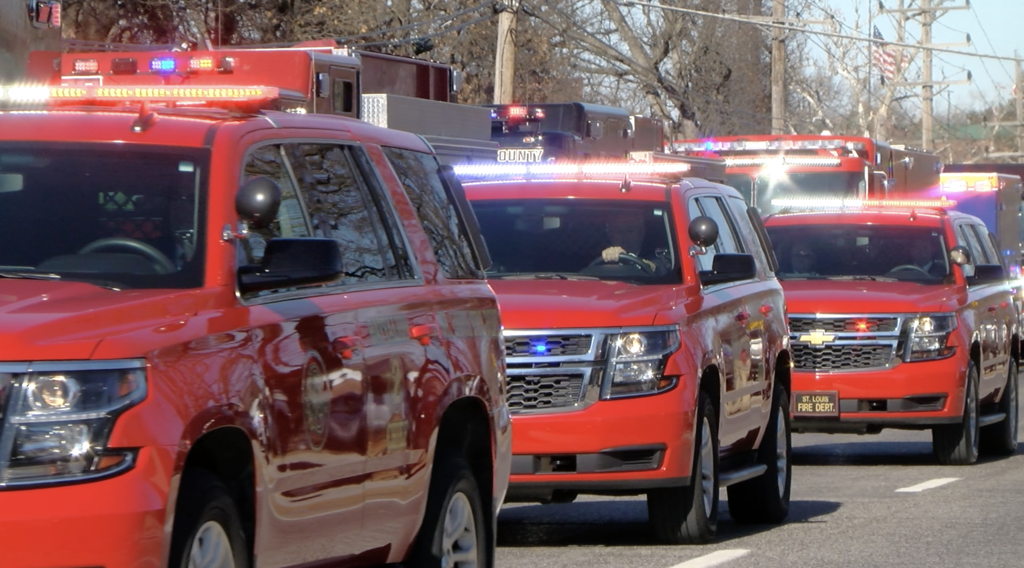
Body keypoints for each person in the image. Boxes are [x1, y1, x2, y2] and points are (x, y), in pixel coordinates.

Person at [599, 211, 665, 274]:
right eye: (618, 231)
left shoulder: (656, 255)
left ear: (641, 233)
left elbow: (657, 267)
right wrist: (607, 258)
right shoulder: (601, 259)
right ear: (610, 235)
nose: (624, 235)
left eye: (630, 230)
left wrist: (630, 259)